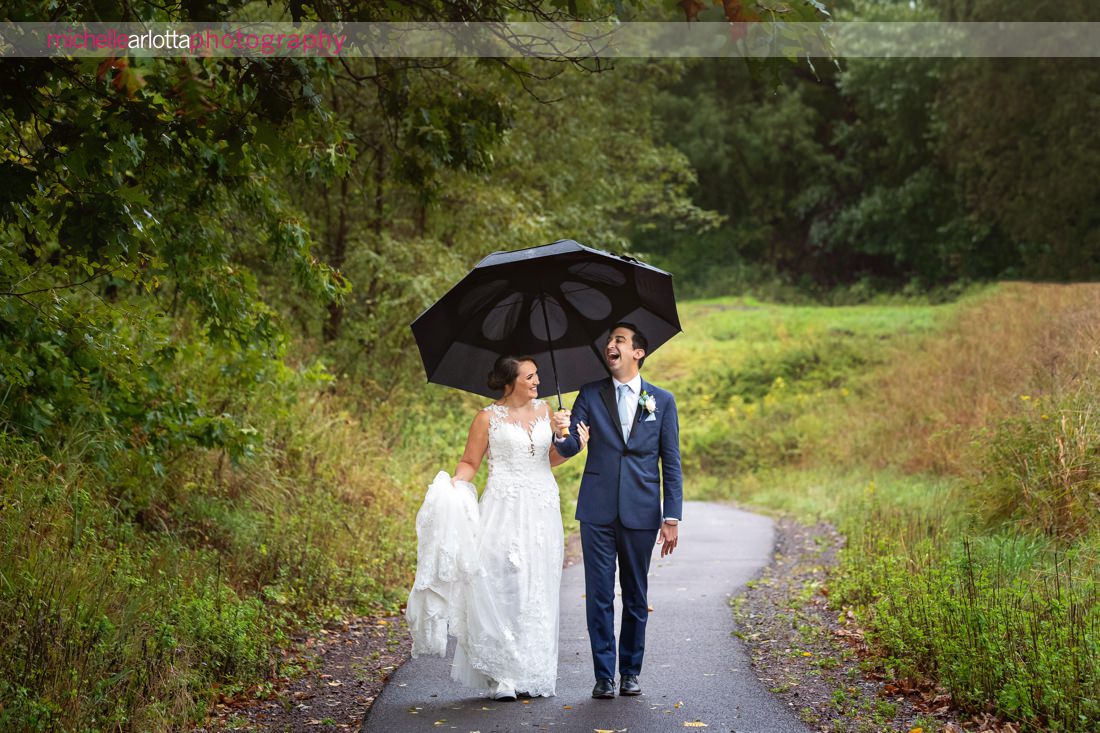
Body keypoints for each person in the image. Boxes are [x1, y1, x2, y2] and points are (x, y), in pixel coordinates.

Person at [445, 355, 589, 701]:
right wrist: (452, 487)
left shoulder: (546, 413)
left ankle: (533, 669)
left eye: (537, 375)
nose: (537, 381)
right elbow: (469, 462)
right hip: (503, 506)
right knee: (501, 581)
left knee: (537, 585)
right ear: (510, 383)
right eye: (530, 376)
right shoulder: (486, 418)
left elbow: (550, 460)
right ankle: (504, 673)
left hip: (541, 507)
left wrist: (569, 440)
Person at [552, 322, 682, 700]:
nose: (611, 345)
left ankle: (630, 672)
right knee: (598, 596)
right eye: (610, 341)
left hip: (642, 510)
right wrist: (562, 432)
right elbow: (573, 445)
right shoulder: (589, 394)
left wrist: (671, 516)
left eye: (619, 340)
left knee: (636, 595)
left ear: (638, 352)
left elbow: (670, 462)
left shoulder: (662, 400)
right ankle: (604, 675)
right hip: (597, 508)